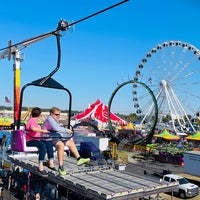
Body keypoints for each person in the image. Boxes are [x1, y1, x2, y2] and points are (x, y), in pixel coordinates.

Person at [43, 107, 90, 176]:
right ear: (51, 114)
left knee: (70, 142)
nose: (58, 116)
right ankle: (60, 167)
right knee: (61, 145)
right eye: (56, 114)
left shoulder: (53, 120)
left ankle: (79, 159)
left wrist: (64, 129)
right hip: (49, 138)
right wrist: (67, 130)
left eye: (59, 114)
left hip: (55, 136)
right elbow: (56, 128)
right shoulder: (50, 119)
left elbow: (57, 127)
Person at [26, 107, 56, 176]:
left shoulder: (33, 121)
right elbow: (33, 129)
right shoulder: (32, 120)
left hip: (36, 139)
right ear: (39, 115)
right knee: (43, 145)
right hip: (31, 140)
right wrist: (44, 131)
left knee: (48, 143)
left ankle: (51, 162)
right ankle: (40, 166)